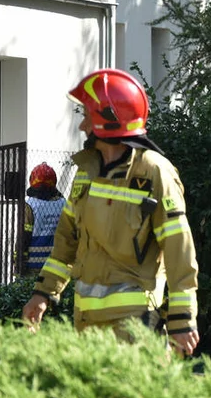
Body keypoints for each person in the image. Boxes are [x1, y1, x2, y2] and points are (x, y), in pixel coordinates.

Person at [21, 68, 200, 356]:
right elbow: (66, 242)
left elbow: (180, 250)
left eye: (87, 117)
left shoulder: (154, 173)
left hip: (136, 326)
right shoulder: (85, 173)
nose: (82, 127)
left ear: (108, 119)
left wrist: (182, 319)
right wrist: (43, 293)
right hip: (87, 324)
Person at [22, 162, 67, 274]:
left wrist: (19, 261)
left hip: (35, 264)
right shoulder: (62, 203)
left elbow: (24, 237)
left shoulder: (30, 205)